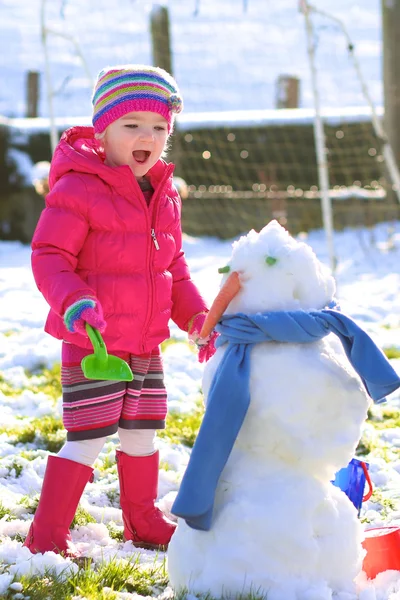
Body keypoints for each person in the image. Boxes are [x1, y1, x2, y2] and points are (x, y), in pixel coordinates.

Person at [23, 64, 217, 556]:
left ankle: (143, 520)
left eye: (158, 128)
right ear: (103, 130)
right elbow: (50, 256)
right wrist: (74, 301)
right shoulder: (78, 187)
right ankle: (46, 536)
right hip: (96, 341)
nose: (146, 137)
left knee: (142, 432)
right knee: (88, 436)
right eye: (132, 126)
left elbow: (174, 269)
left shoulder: (165, 194)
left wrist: (197, 318)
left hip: (146, 343)